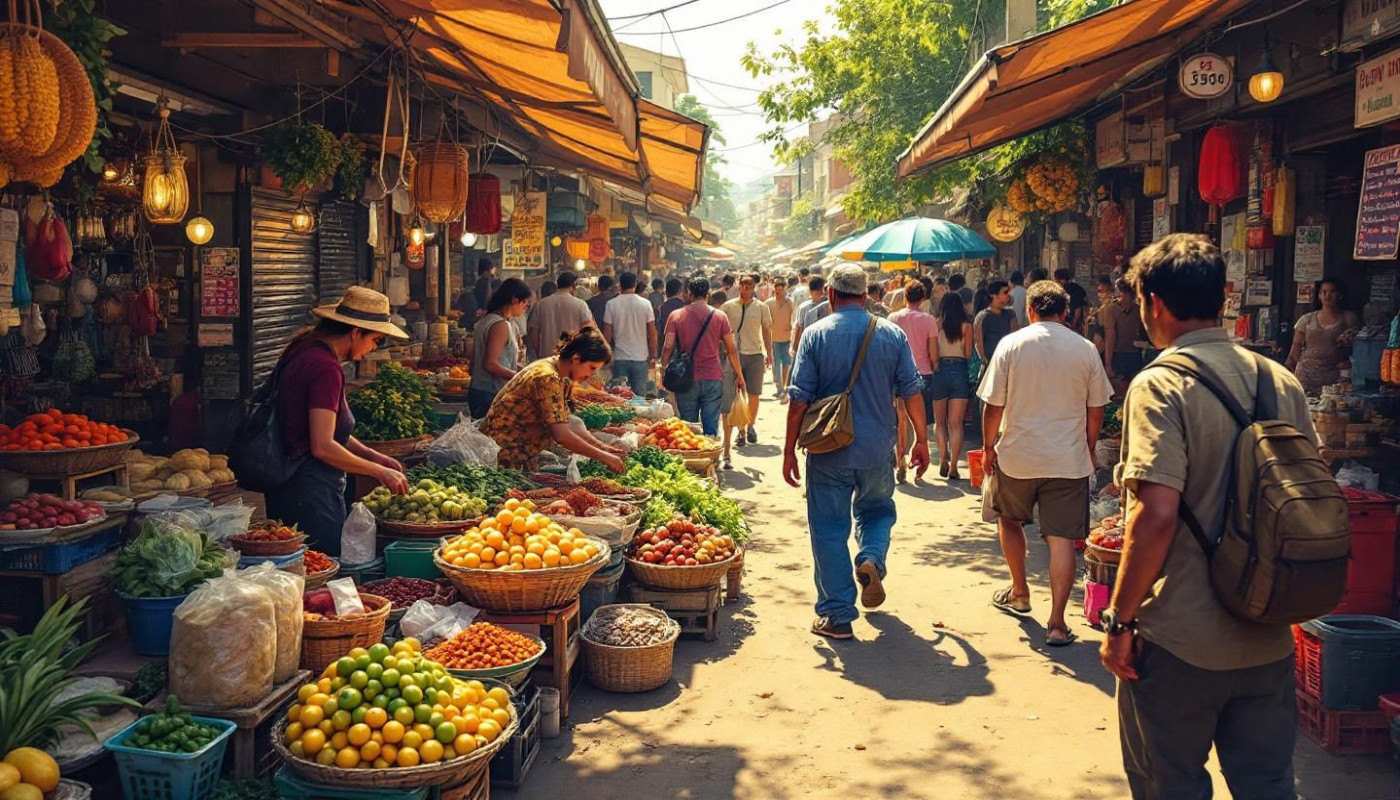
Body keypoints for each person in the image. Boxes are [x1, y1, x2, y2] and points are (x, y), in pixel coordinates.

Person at [1102, 234, 1312, 799]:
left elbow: (1156, 513)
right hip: (1268, 629)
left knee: (1170, 785)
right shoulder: (1280, 380)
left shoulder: (1161, 383)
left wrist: (1120, 622)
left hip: (1180, 635)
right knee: (1268, 785)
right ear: (1223, 295)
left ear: (1152, 304)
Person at [783, 264, 929, 640]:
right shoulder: (892, 335)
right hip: (878, 449)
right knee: (878, 511)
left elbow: (798, 400)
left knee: (829, 529)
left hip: (828, 450)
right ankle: (870, 559)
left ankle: (837, 615)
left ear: (830, 294)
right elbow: (912, 391)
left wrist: (788, 451)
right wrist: (921, 441)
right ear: (865, 296)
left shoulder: (815, 335)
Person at [980, 280, 1113, 647]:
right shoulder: (1084, 349)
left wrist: (989, 447)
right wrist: (1086, 446)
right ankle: (1057, 623)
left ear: (1030, 310)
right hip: (1066, 459)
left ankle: (1020, 590)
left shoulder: (1011, 345)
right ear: (1066, 312)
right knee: (1062, 541)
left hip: (1017, 455)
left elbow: (993, 406)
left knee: (1009, 520)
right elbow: (1097, 408)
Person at [266, 288, 410, 556]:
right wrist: (378, 471)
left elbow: (330, 429)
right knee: (320, 566)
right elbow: (323, 445)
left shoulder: (305, 348)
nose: (373, 348)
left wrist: (372, 455)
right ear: (355, 332)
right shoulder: (324, 367)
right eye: (375, 340)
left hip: (290, 485)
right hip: (309, 491)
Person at [480, 327, 626, 473]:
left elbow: (566, 422)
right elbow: (562, 435)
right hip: (502, 456)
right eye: (592, 368)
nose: (592, 375)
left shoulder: (563, 377)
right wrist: (604, 457)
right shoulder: (547, 376)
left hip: (521, 455)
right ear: (576, 359)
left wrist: (603, 447)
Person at [660, 277, 745, 437]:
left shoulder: (676, 316)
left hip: (685, 379)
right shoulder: (719, 316)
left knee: (689, 428)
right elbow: (731, 349)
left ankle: (692, 461)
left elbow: (668, 347)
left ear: (689, 293)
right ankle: (710, 460)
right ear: (708, 294)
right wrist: (739, 376)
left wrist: (663, 369)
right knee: (710, 429)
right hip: (713, 376)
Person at [889, 280, 938, 483]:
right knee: (919, 421)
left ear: (905, 297)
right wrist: (935, 368)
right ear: (923, 298)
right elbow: (933, 352)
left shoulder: (892, 317)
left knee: (901, 419)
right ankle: (917, 458)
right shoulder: (928, 320)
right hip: (922, 373)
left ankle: (900, 459)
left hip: (897, 373)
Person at [722, 275, 773, 451]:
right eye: (743, 284)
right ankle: (741, 432)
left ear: (754, 287)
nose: (746, 288)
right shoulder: (728, 307)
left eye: (749, 285)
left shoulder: (761, 307)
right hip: (734, 355)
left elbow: (767, 331)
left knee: (754, 394)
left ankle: (750, 426)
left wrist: (769, 352)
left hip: (755, 354)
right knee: (738, 394)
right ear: (739, 286)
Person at [468, 279, 532, 418]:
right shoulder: (500, 325)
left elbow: (473, 361)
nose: (525, 307)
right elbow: (490, 364)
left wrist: (526, 371)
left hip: (480, 390)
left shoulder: (487, 320)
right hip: (490, 394)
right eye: (525, 302)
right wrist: (518, 376)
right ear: (515, 299)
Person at [1285, 278, 1361, 396]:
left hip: (1334, 378)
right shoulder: (1306, 319)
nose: (1327, 295)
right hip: (1306, 376)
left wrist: (1349, 360)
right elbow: (1296, 347)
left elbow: (1357, 346)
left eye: (1332, 291)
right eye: (1324, 292)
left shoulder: (1348, 318)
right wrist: (1288, 369)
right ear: (1319, 295)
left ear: (1339, 295)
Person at [931, 292, 974, 480]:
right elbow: (968, 354)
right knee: (956, 424)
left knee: (939, 423)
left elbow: (932, 352)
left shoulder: (935, 324)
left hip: (939, 370)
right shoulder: (966, 327)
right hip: (959, 371)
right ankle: (954, 466)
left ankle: (942, 459)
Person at [603, 271, 657, 394]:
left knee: (620, 398)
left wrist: (607, 357)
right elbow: (652, 333)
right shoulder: (646, 304)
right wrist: (653, 355)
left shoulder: (611, 304)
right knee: (639, 398)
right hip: (641, 358)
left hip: (620, 358)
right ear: (635, 284)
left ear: (619, 285)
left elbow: (607, 336)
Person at [527, 271, 593, 359]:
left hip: (547, 358)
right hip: (571, 358)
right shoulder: (581, 305)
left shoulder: (542, 304)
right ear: (573, 285)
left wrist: (539, 352)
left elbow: (533, 331)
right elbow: (588, 331)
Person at [1102, 278, 1148, 395]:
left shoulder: (1138, 309)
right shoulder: (1112, 310)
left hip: (1135, 355)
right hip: (1118, 355)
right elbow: (1110, 338)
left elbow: (1143, 333)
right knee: (1120, 391)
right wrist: (1108, 364)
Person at [974, 280, 1019, 365]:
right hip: (991, 364)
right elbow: (979, 342)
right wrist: (984, 360)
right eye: (1005, 292)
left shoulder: (1010, 314)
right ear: (994, 296)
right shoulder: (983, 317)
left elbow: (1016, 337)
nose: (1008, 296)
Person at [767, 278, 795, 403]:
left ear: (785, 290)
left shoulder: (790, 303)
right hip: (774, 338)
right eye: (777, 290)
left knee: (786, 364)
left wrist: (791, 326)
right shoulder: (769, 303)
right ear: (774, 289)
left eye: (781, 290)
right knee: (775, 364)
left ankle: (785, 387)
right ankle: (779, 388)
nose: (779, 292)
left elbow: (794, 318)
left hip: (787, 338)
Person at [791, 275, 828, 352]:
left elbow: (798, 329)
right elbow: (798, 328)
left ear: (810, 291)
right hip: (824, 347)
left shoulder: (803, 307)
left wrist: (795, 349)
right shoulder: (830, 305)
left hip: (808, 346)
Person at [1054, 268, 1090, 334]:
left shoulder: (1074, 290)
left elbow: (1078, 309)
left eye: (1058, 281)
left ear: (1064, 280)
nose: (1056, 282)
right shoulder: (1061, 290)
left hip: (1075, 323)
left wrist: (1074, 325)